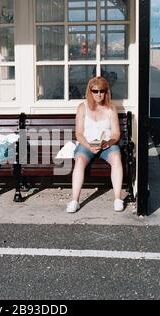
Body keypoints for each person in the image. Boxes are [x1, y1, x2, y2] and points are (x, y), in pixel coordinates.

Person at [66, 76, 124, 213]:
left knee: (116, 157)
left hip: (106, 145)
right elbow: (79, 133)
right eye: (95, 91)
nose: (99, 94)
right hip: (87, 144)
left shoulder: (111, 108)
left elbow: (116, 133)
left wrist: (108, 143)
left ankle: (117, 198)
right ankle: (75, 200)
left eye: (102, 91)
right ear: (90, 91)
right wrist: (88, 146)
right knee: (79, 160)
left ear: (106, 92)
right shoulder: (83, 107)